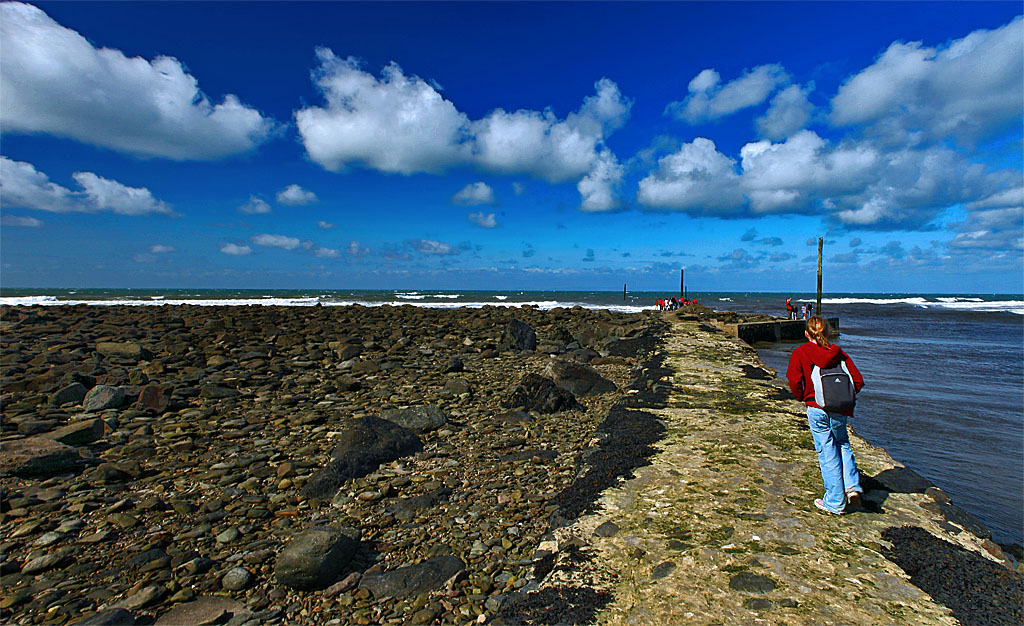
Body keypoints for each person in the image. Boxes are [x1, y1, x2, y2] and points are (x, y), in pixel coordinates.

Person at [786, 317, 865, 514]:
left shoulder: (801, 352)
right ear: (828, 333)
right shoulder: (838, 352)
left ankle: (835, 502)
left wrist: (802, 397)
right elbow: (858, 380)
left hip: (817, 407)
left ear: (806, 334)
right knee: (842, 445)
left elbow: (794, 380)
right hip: (839, 408)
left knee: (827, 452)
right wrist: (842, 397)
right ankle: (852, 489)